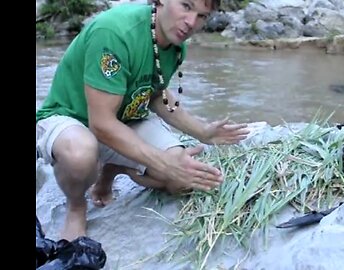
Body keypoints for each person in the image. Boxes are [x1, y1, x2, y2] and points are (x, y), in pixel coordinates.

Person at [36, 0, 250, 241]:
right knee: (80, 154)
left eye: (202, 16)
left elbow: (155, 94)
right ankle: (76, 208)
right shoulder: (115, 32)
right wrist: (163, 162)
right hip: (71, 119)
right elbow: (101, 124)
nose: (191, 23)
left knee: (180, 179)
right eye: (186, 6)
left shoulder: (175, 42)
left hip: (125, 120)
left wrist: (203, 132)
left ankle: (114, 169)